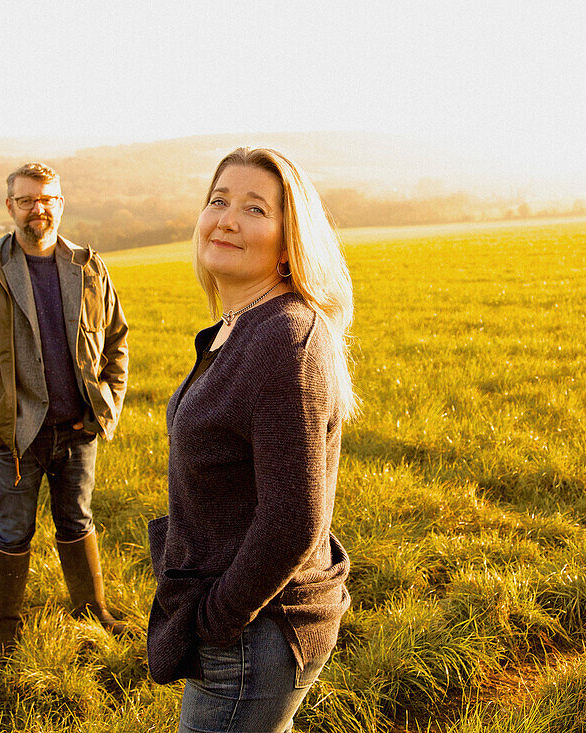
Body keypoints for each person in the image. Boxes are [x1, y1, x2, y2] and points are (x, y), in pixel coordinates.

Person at [147, 148, 356, 732]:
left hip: (253, 631)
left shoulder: (284, 337)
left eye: (255, 208)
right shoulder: (241, 326)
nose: (227, 219)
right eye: (218, 200)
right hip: (248, 622)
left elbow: (294, 518)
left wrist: (219, 618)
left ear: (291, 239)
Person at [0, 162, 129, 672]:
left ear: (61, 202)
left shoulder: (89, 267)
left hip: (77, 432)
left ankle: (94, 613)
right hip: (15, 437)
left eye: (46, 198)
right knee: (13, 531)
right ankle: (3, 631)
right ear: (10, 207)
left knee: (77, 520)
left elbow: (116, 341)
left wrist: (105, 406)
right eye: (26, 200)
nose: (37, 208)